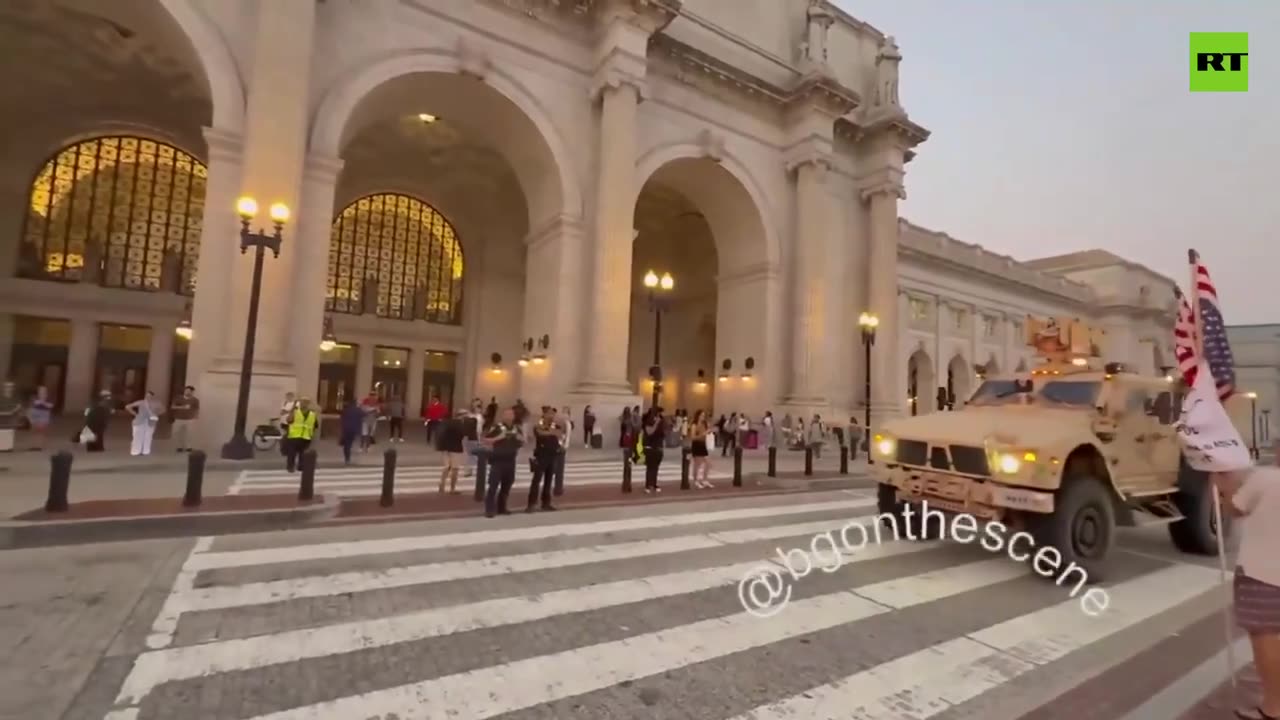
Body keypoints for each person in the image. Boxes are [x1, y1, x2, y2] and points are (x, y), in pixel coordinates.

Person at [1213, 465, 1280, 720]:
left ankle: (1274, 709)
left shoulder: (1266, 478)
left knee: (1266, 638)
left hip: (1262, 573)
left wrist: (1224, 485)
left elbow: (1235, 508)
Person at [482, 407, 523, 518]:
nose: (509, 417)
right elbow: (485, 439)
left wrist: (521, 439)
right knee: (493, 486)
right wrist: (498, 438)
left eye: (511, 414)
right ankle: (489, 509)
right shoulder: (497, 427)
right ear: (503, 416)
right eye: (507, 414)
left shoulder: (516, 428)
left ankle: (502, 507)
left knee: (507, 485)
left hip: (511, 460)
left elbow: (522, 441)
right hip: (498, 461)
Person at [527, 406, 561, 511]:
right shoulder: (540, 423)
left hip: (552, 455)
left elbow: (559, 433)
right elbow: (540, 432)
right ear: (544, 414)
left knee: (548, 480)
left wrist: (551, 432)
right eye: (550, 414)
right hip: (542, 455)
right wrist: (551, 432)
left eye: (553, 414)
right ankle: (531, 504)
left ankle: (546, 503)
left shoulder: (554, 424)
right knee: (536, 480)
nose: (552, 416)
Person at [284, 397, 318, 472]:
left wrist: (313, 438)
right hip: (294, 436)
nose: (304, 404)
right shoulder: (295, 412)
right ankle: (290, 467)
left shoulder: (312, 414)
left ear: (308, 404)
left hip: (306, 437)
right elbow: (288, 420)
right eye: (303, 402)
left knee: (303, 454)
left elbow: (315, 426)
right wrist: (293, 409)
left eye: (306, 402)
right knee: (292, 453)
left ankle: (301, 467)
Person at [437, 410, 466, 494]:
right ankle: (452, 488)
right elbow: (463, 435)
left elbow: (441, 434)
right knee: (455, 468)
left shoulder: (447, 423)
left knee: (447, 466)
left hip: (445, 448)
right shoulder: (460, 425)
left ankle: (442, 484)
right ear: (462, 416)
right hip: (455, 448)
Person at [125, 391, 161, 456]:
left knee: (148, 436)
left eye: (149, 396)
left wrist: (156, 414)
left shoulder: (156, 403)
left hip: (150, 422)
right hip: (139, 421)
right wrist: (135, 414)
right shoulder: (141, 402)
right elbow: (128, 406)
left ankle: (145, 451)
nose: (148, 397)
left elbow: (163, 410)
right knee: (137, 436)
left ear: (152, 397)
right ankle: (135, 451)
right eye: (147, 396)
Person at [642, 407, 666, 493]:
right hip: (650, 447)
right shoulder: (648, 422)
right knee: (650, 467)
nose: (661, 415)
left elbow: (663, 435)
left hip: (658, 447)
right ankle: (648, 485)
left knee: (656, 467)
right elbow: (649, 432)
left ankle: (654, 483)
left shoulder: (662, 422)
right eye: (659, 413)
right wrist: (656, 423)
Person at [688, 409, 713, 489]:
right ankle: (696, 480)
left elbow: (708, 431)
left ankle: (705, 479)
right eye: (701, 415)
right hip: (697, 445)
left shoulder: (704, 424)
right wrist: (703, 434)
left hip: (703, 445)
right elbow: (693, 437)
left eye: (704, 415)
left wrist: (709, 432)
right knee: (697, 464)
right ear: (698, 416)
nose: (703, 417)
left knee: (708, 463)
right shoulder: (694, 425)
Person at [169, 386, 199, 452]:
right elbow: (173, 407)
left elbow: (196, 409)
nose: (187, 392)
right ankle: (179, 446)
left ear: (192, 392)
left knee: (189, 433)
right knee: (177, 433)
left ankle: (188, 447)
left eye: (189, 391)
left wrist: (196, 416)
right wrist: (183, 407)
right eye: (186, 390)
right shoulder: (178, 398)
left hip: (189, 419)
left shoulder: (195, 400)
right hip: (178, 418)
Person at [338, 399, 363, 465]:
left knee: (347, 444)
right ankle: (348, 458)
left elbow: (342, 419)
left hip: (346, 429)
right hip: (354, 429)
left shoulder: (346, 410)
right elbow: (365, 414)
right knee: (349, 443)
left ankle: (347, 458)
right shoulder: (358, 410)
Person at [0, 381, 22, 453]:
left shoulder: (15, 397)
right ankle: (2, 446)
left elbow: (19, 405)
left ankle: (9, 447)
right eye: (7, 387)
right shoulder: (1, 397)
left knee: (10, 432)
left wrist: (13, 411)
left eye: (10, 387)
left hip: (12, 416)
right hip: (2, 416)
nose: (8, 388)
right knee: (2, 432)